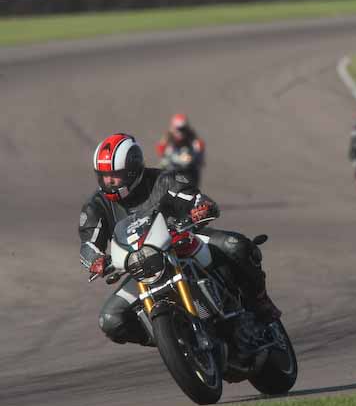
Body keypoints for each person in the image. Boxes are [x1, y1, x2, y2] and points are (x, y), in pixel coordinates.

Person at [79, 132, 280, 347]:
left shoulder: (164, 180)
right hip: (142, 265)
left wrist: (200, 208)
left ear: (132, 169)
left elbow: (194, 198)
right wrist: (95, 259)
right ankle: (176, 340)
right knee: (111, 319)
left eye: (115, 175)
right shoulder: (96, 205)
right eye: (103, 175)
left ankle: (260, 301)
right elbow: (89, 243)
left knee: (236, 246)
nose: (108, 181)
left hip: (182, 242)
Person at [156, 113, 205, 186]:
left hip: (189, 173)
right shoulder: (168, 139)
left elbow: (200, 153)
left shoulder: (193, 140)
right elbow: (161, 151)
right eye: (178, 129)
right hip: (171, 171)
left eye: (183, 129)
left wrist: (193, 158)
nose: (181, 132)